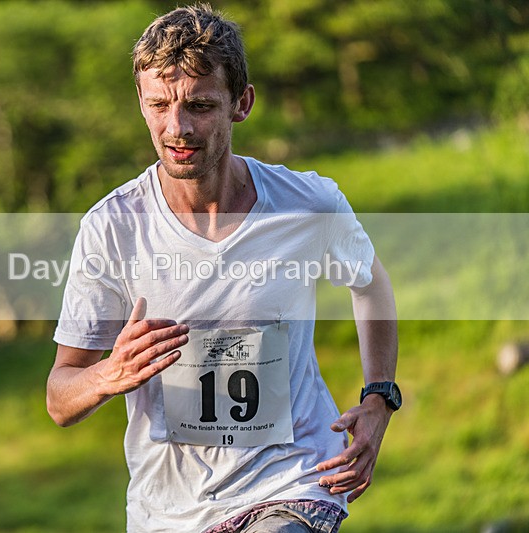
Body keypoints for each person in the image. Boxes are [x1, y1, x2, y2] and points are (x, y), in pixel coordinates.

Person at [46, 4, 399, 532]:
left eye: (200, 105)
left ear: (242, 103)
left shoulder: (308, 206)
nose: (177, 127)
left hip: (291, 478)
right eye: (159, 104)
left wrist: (379, 398)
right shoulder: (112, 228)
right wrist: (106, 375)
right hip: (168, 509)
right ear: (141, 105)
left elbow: (371, 287)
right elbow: (60, 397)